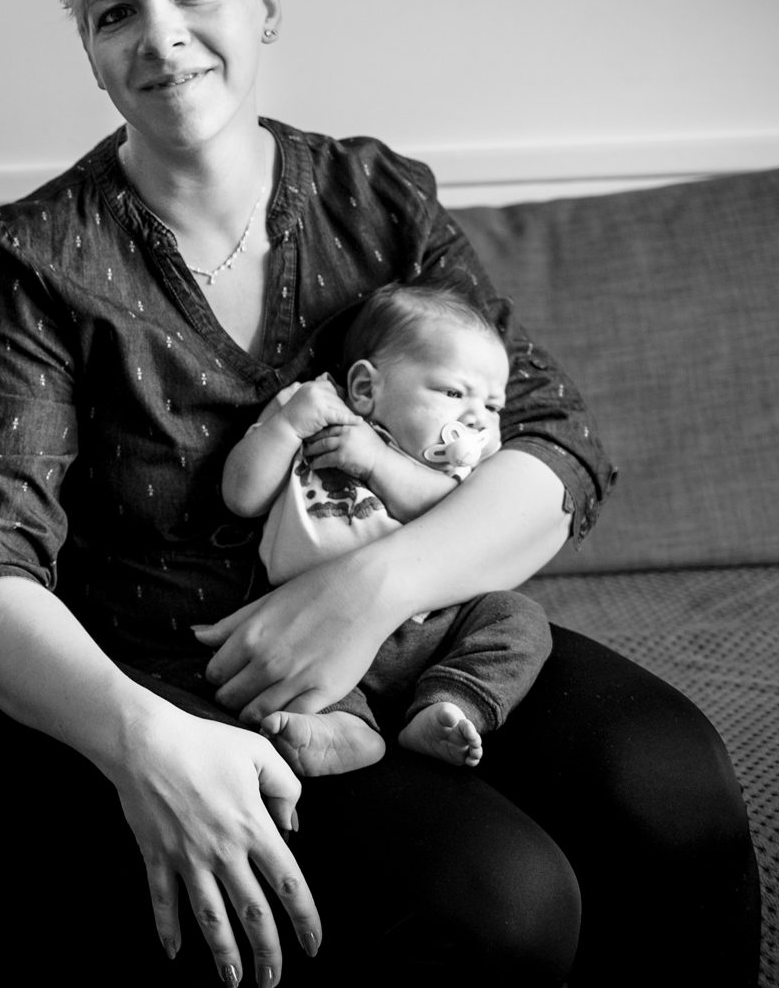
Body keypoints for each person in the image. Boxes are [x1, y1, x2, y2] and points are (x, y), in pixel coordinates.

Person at [0, 0, 759, 988]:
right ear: (90, 49)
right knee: (501, 899)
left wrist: (365, 594)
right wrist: (135, 744)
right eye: (115, 10)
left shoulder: (374, 197)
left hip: (431, 628)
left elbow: (555, 446)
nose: (159, 34)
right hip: (208, 686)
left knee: (672, 782)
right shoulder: (38, 257)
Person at [215, 281, 550, 776]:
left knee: (519, 618)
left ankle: (449, 705)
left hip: (437, 625)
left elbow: (450, 521)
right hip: (315, 628)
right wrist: (287, 426)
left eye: (493, 406)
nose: (477, 417)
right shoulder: (311, 407)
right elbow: (242, 497)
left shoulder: (459, 471)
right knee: (302, 684)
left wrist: (375, 462)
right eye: (454, 392)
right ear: (367, 389)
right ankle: (347, 731)